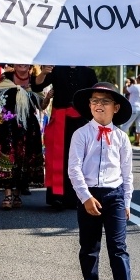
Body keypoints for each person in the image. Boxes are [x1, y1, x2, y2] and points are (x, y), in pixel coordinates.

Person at [68, 82, 137, 280]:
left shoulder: (121, 137)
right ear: (89, 106)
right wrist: (85, 197)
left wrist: (126, 201)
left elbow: (127, 173)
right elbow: (74, 169)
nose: (99, 105)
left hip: (114, 194)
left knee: (118, 247)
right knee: (89, 245)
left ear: (116, 108)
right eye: (95, 101)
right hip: (89, 194)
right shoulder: (81, 134)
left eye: (105, 102)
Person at [32, 65, 98, 209]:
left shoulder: (89, 72)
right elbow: (37, 86)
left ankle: (81, 195)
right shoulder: (57, 69)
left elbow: (96, 95)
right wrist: (43, 72)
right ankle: (57, 196)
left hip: (81, 119)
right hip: (60, 118)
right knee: (58, 157)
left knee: (80, 158)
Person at [0, 64, 44, 210]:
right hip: (8, 124)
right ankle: (7, 194)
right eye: (19, 60)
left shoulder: (36, 81)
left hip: (28, 126)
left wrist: (47, 98)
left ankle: (16, 193)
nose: (22, 64)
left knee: (24, 158)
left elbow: (41, 105)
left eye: (25, 61)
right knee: (7, 157)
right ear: (14, 64)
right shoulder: (5, 78)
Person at [121, 74, 140, 146]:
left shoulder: (134, 86)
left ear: (138, 79)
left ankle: (122, 139)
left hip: (134, 107)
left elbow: (125, 91)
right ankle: (138, 140)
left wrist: (126, 84)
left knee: (126, 123)